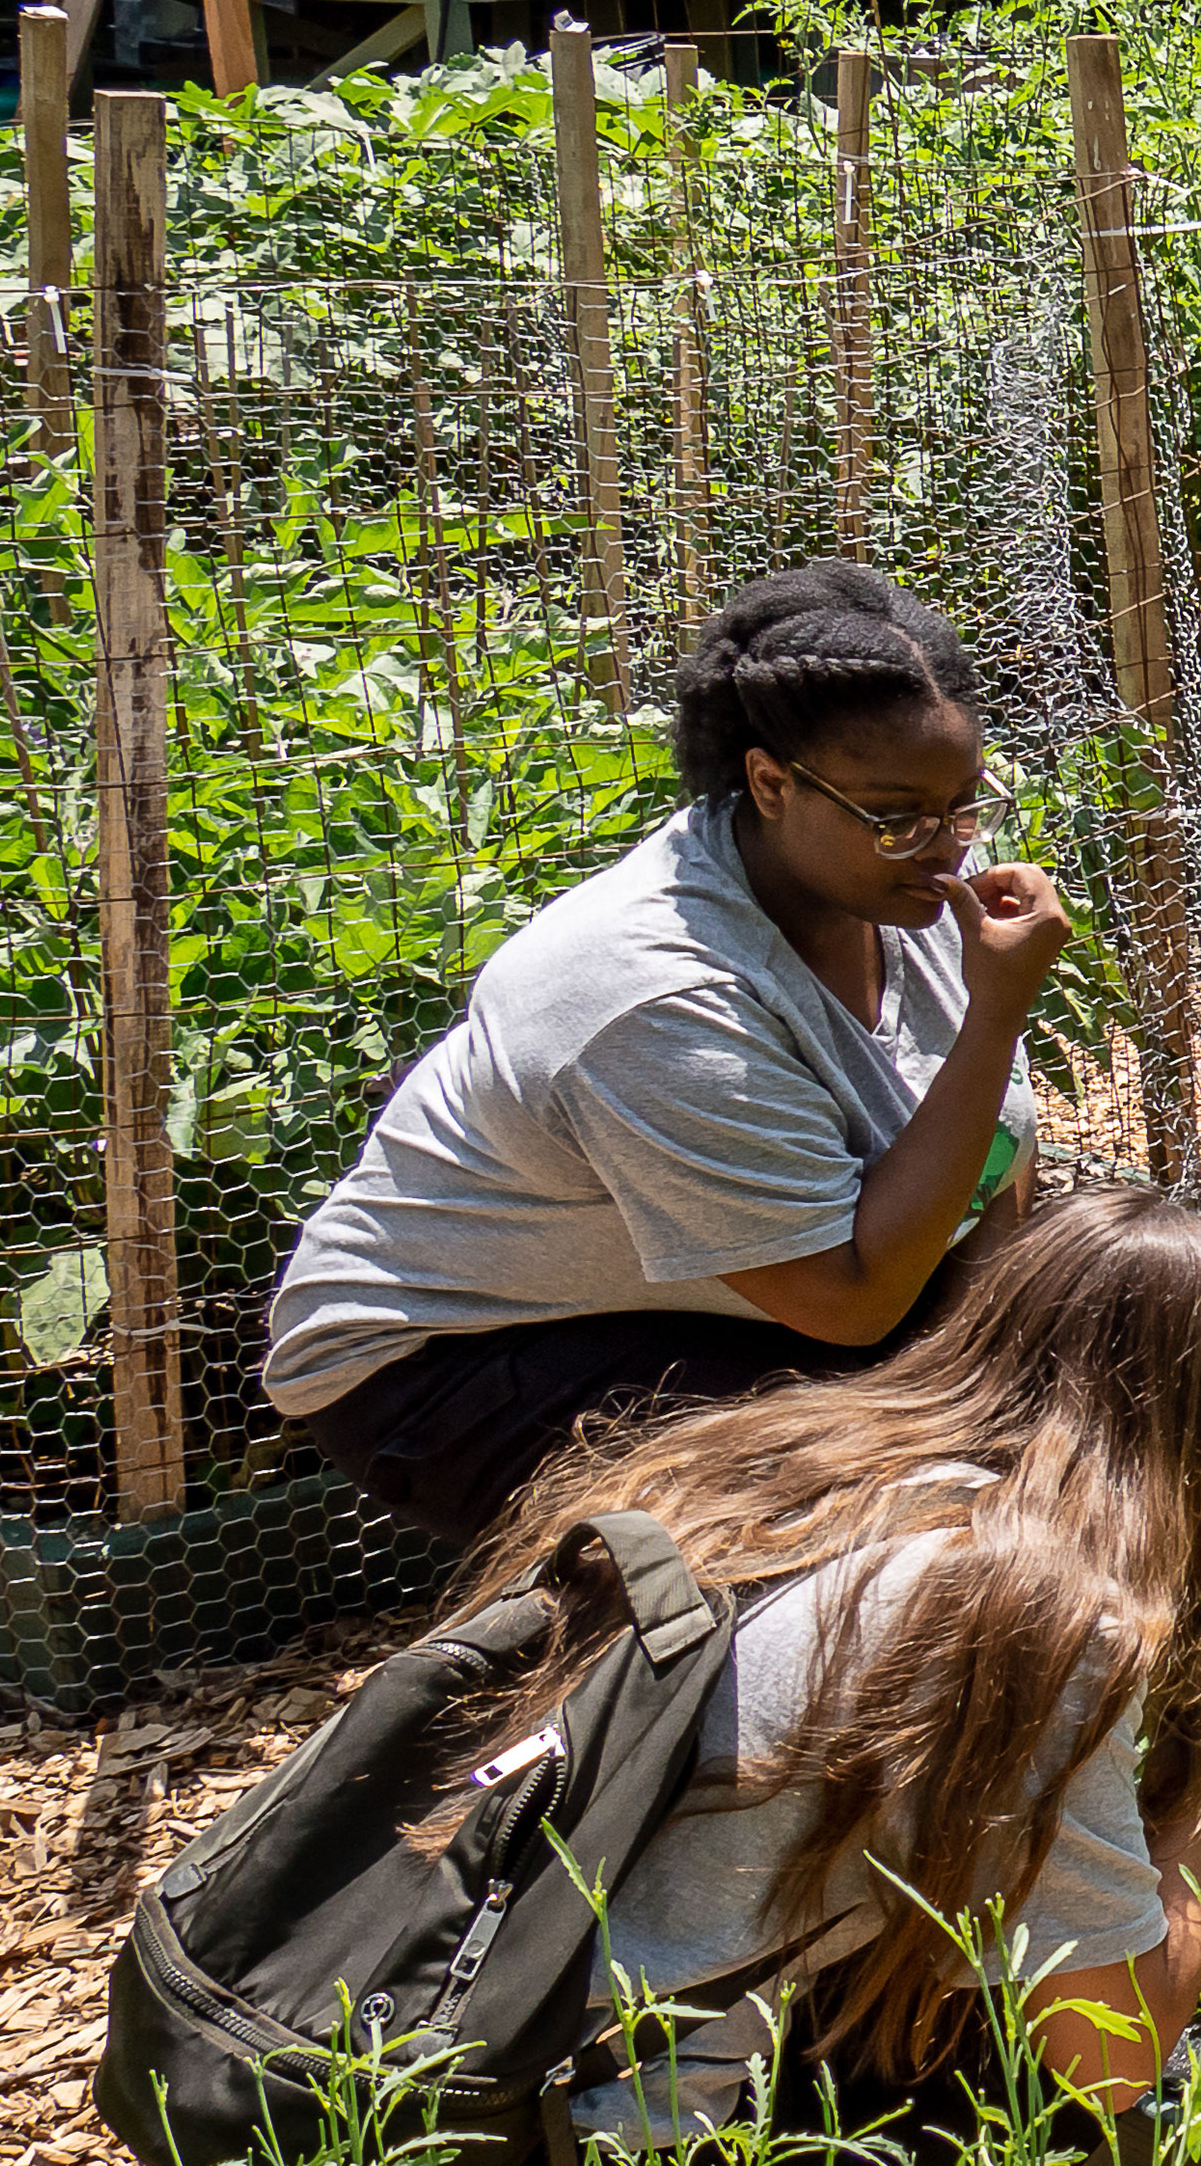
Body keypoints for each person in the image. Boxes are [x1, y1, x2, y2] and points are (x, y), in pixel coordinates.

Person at [383, 1182, 1201, 2166]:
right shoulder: (1028, 1618)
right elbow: (1116, 2053)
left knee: (953, 1930)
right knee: (1035, 2041)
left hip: (414, 2051)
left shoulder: (783, 1463)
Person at [265, 563, 1060, 1547]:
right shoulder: (656, 994)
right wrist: (993, 1020)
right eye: (897, 816)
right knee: (888, 1511)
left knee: (1104, 1342)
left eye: (963, 804)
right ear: (770, 782)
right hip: (455, 1364)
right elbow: (849, 1304)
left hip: (741, 1289)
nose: (946, 848)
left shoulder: (916, 877)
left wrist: (1012, 1378)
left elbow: (999, 1153)